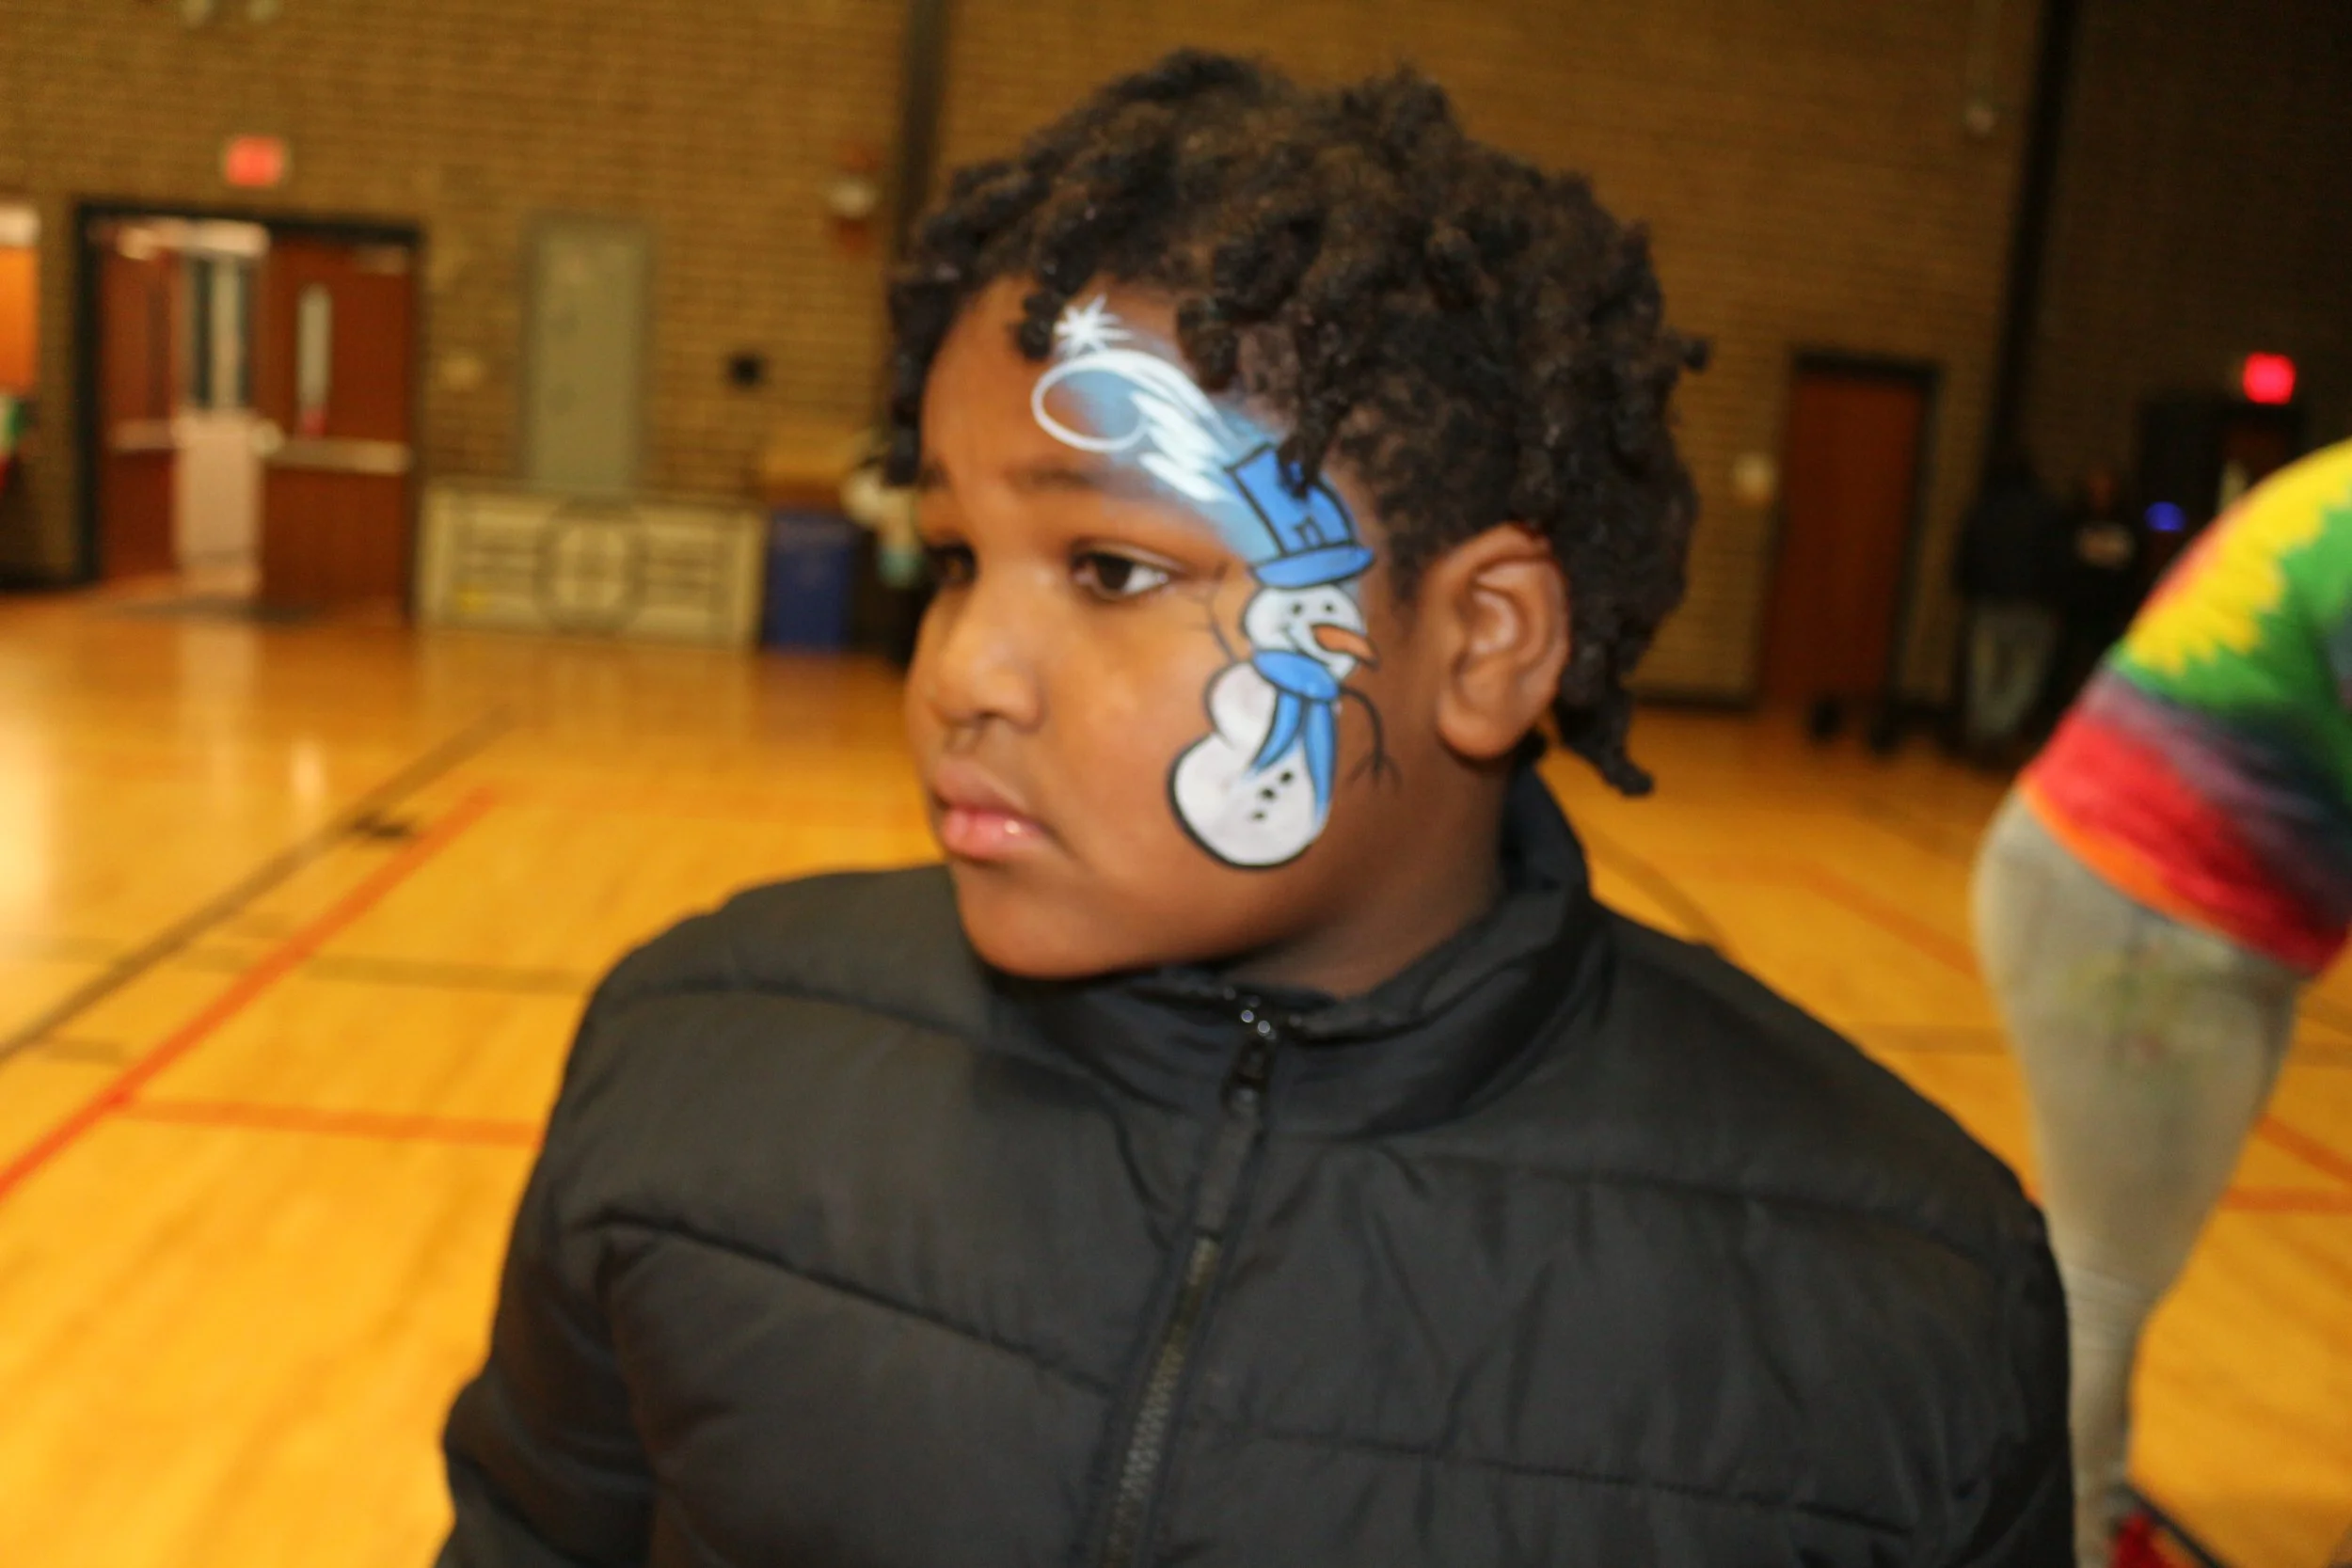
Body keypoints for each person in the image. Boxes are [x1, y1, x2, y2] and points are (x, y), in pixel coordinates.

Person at [439, 54, 2069, 1567]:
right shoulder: (693, 1060)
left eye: (1111, 569)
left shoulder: (1906, 1291)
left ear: (1485, 643)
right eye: (952, 559)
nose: (961, 672)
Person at [1974, 438, 2352, 1568]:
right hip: (2145, 916)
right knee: (2101, 1275)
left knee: (2106, 1263)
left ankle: (2087, 1509)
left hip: (2165, 915)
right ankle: (2060, 1539)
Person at [1956, 453, 2069, 758]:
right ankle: (1997, 731)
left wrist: (1967, 589)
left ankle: (1983, 733)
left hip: (1989, 601)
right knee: (2024, 675)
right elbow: (2059, 561)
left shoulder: (1984, 507)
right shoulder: (2047, 510)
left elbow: (1966, 553)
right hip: (2034, 606)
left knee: (1983, 673)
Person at [2041, 464, 2144, 726]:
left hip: (2109, 610)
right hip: (2076, 609)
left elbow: (2134, 569)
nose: (2100, 494)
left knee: (2104, 670)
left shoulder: (2127, 525)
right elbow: (2059, 562)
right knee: (2064, 666)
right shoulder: (2073, 522)